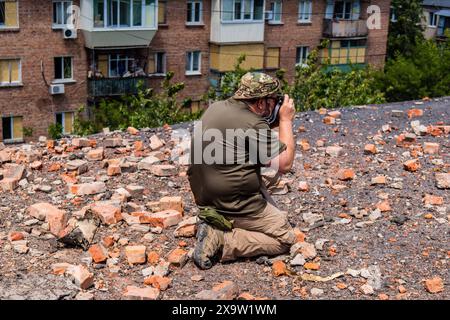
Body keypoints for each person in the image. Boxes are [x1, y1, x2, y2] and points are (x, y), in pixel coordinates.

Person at [188, 72, 297, 270]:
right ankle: (222, 240)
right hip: (233, 203)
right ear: (261, 103)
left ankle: (214, 222)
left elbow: (246, 135)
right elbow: (285, 164)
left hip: (205, 196)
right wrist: (286, 121)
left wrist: (271, 121)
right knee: (287, 239)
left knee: (262, 172)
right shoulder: (253, 123)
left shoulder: (216, 108)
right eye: (273, 101)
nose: (276, 106)